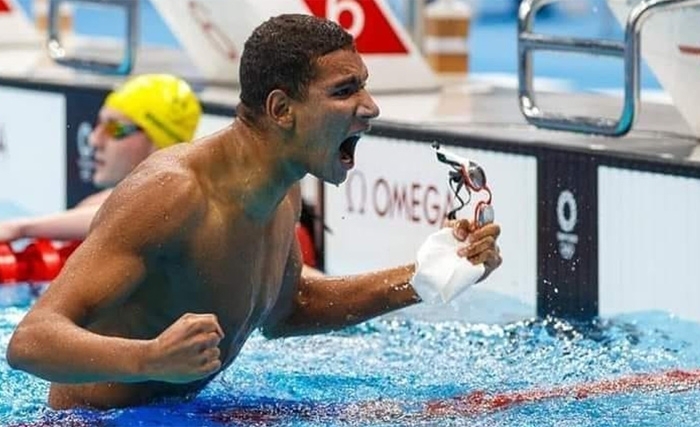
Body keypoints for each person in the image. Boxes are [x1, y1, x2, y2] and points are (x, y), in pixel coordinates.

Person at [6, 14, 502, 410]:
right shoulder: (172, 194)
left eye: (363, 86)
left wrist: (425, 277)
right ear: (281, 109)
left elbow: (288, 309)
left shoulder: (282, 189)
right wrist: (149, 358)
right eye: (344, 91)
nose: (370, 107)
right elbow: (29, 342)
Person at [0, 73, 202, 243]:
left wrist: (22, 228)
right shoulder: (98, 204)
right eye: (99, 124)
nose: (94, 139)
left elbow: (129, 214)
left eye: (115, 128)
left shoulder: (184, 204)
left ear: (158, 143)